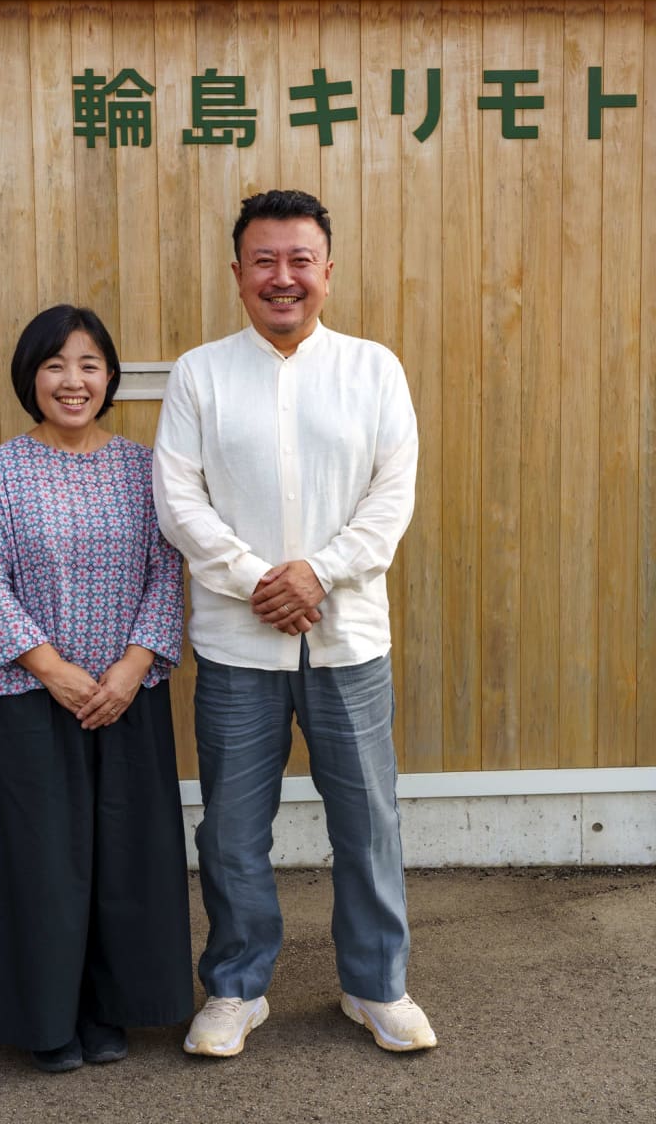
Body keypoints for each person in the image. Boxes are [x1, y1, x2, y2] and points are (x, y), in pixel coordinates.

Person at [152, 189, 436, 1058]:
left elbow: (391, 498)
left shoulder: (374, 369)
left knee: (368, 824)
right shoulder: (200, 373)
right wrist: (258, 581)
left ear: (327, 271)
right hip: (237, 646)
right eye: (264, 261)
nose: (283, 277)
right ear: (238, 273)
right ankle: (237, 988)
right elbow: (179, 500)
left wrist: (319, 572)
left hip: (348, 640)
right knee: (232, 832)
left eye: (300, 260)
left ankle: (376, 985)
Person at [0, 304, 193, 1074]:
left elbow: (167, 572)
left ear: (110, 377)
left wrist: (130, 667)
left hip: (127, 694)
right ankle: (44, 1019)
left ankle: (107, 1009)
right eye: (56, 364)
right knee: (40, 865)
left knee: (124, 859)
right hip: (29, 696)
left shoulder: (142, 468)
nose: (73, 380)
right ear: (30, 376)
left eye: (89, 365)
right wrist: (53, 669)